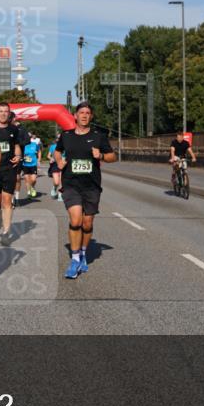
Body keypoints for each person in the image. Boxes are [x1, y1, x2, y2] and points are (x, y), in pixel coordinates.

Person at [54, 102, 116, 279]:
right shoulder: (66, 136)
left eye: (88, 113)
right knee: (75, 220)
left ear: (91, 116)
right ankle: (74, 260)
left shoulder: (99, 137)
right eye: (81, 112)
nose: (84, 115)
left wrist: (102, 155)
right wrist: (59, 161)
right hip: (71, 184)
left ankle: (82, 253)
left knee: (87, 223)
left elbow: (113, 157)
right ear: (75, 115)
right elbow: (58, 152)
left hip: (91, 186)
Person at [0, 102, 21, 246]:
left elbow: (17, 146)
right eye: (1, 111)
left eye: (6, 111)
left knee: (7, 201)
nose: (3, 114)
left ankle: (6, 232)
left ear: (9, 113)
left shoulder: (14, 129)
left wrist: (18, 156)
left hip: (9, 169)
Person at [12, 115, 31, 201]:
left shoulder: (22, 129)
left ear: (14, 118)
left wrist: (18, 144)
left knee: (17, 178)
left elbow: (28, 141)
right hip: (6, 156)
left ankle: (16, 197)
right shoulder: (6, 127)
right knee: (8, 178)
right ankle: (9, 198)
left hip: (18, 156)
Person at [47, 134, 63, 200]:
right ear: (56, 139)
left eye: (60, 138)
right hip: (55, 165)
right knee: (56, 182)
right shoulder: (53, 146)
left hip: (63, 164)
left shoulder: (66, 146)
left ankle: (60, 195)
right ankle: (54, 188)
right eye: (58, 138)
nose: (59, 139)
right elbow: (48, 155)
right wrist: (51, 158)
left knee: (62, 181)